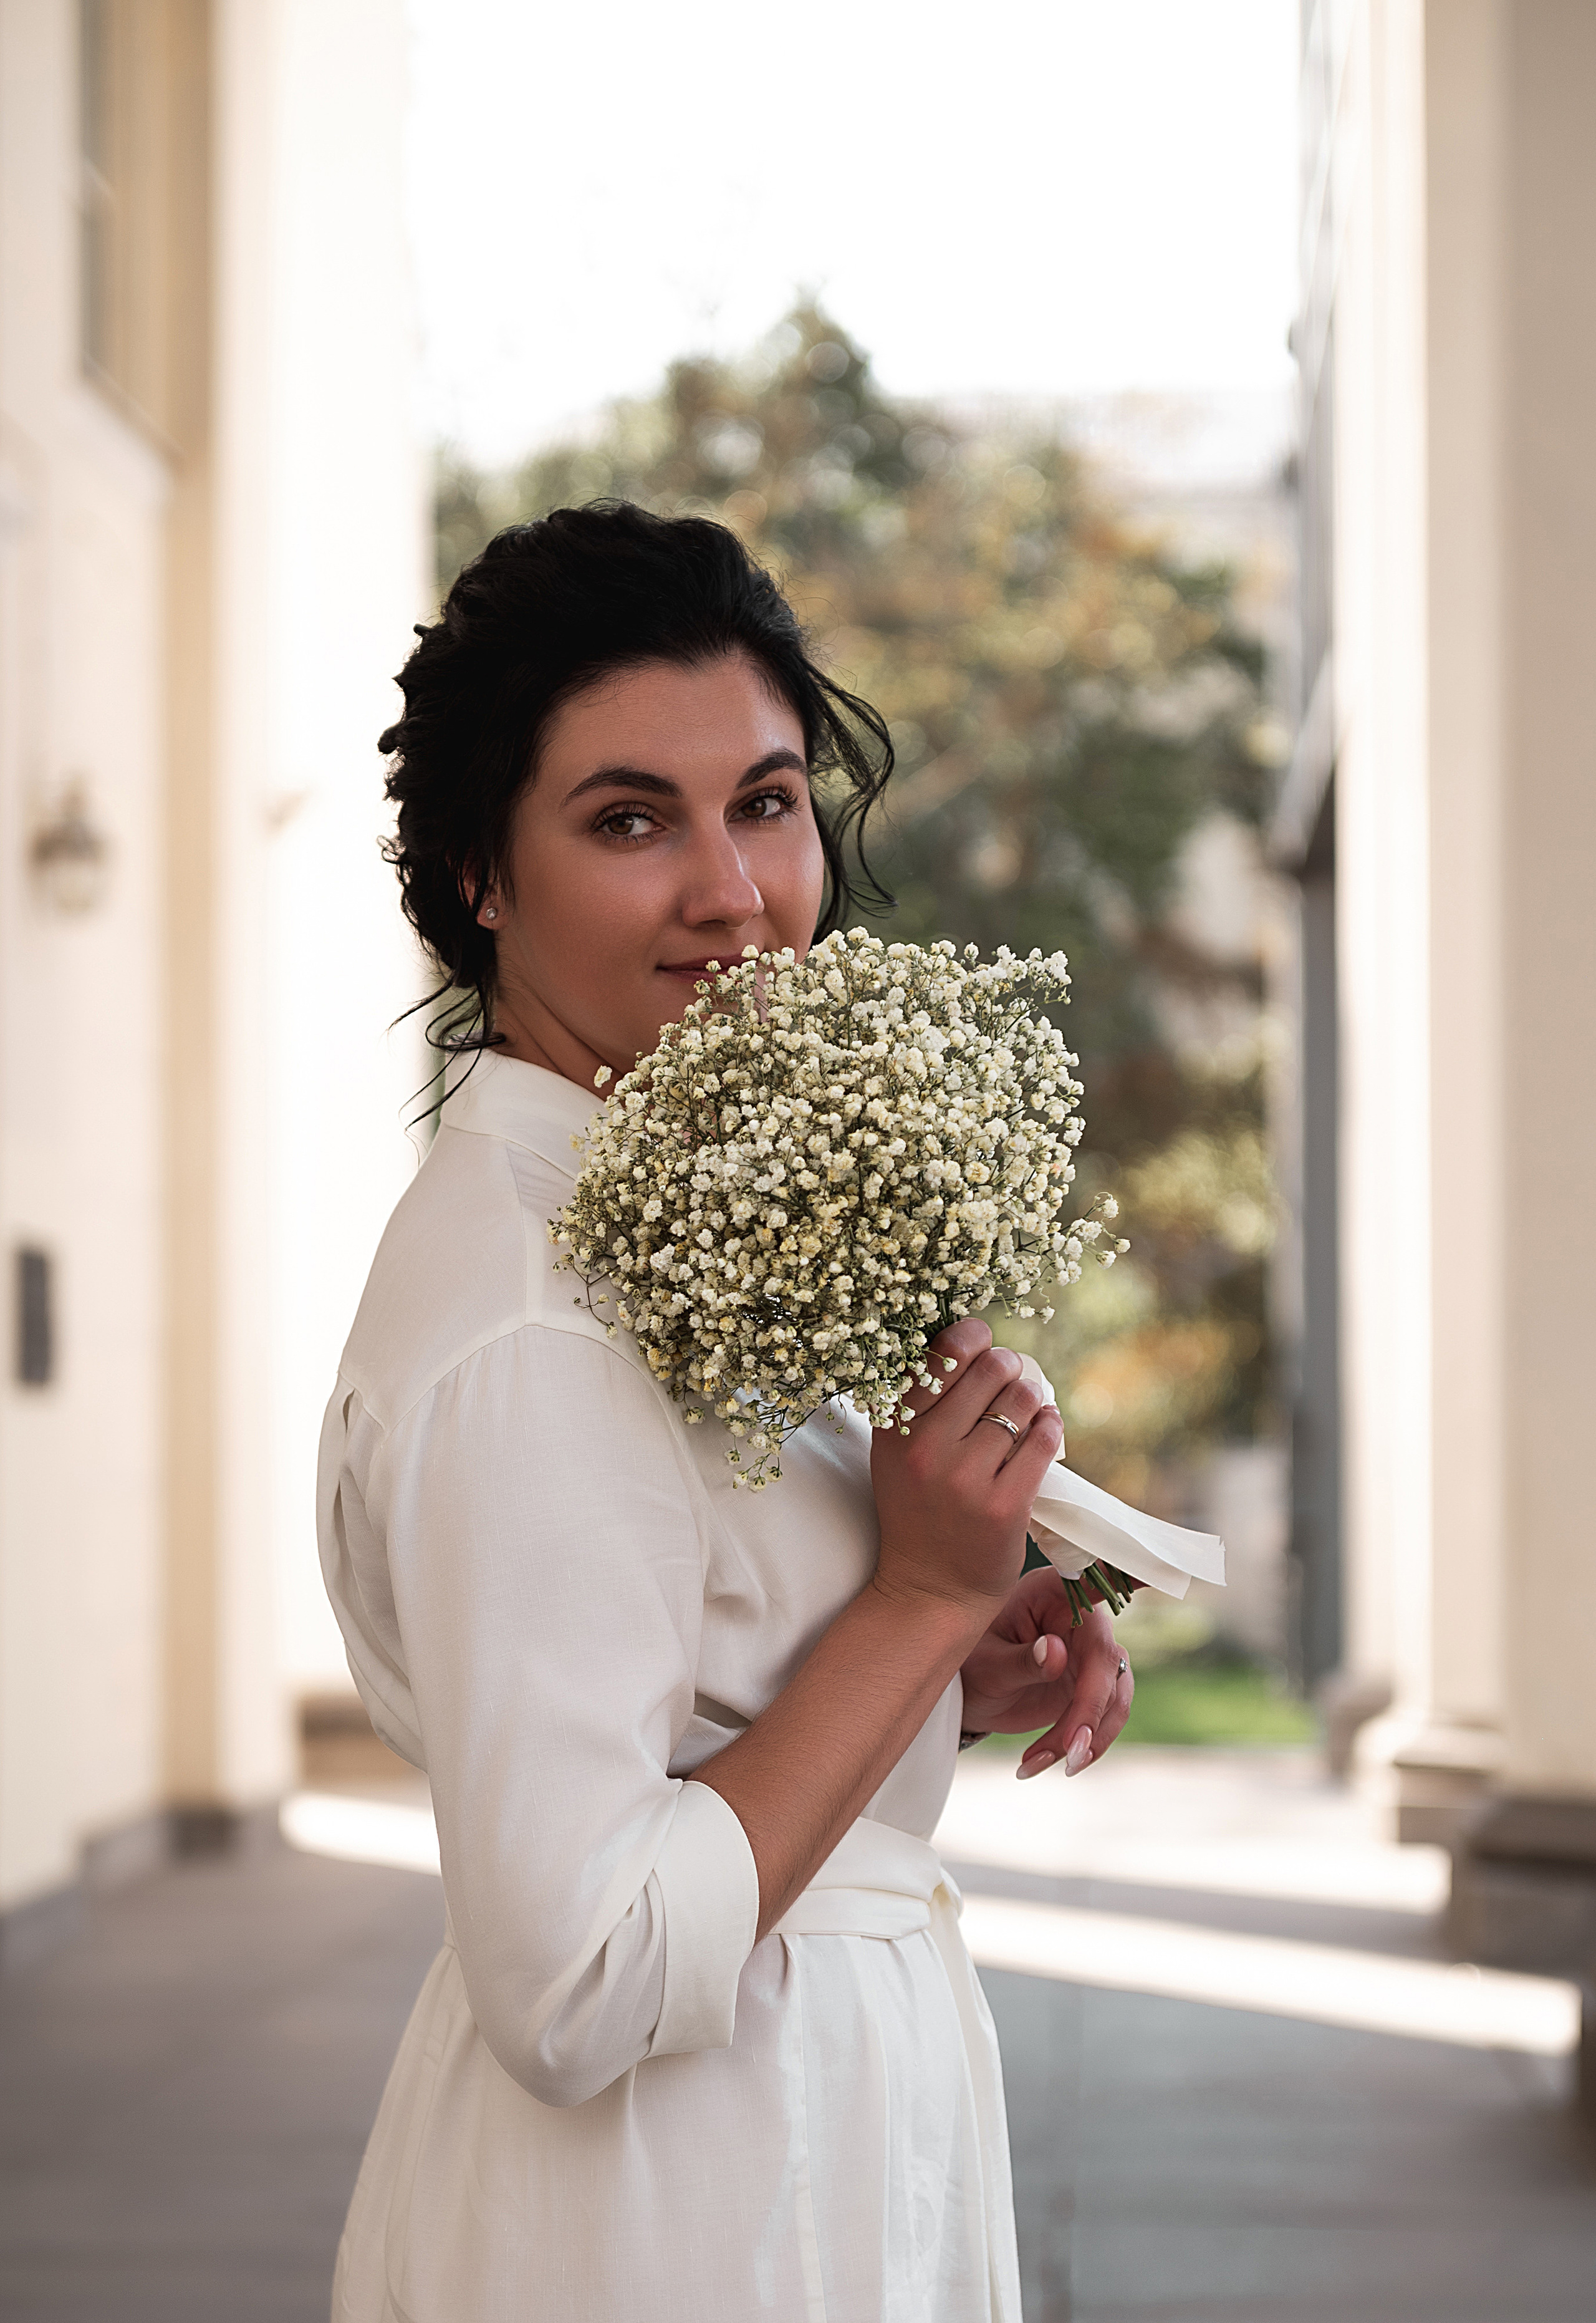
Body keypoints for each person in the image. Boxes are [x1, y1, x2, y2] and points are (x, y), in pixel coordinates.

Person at [318, 502, 1135, 2322]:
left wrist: (926, 1646)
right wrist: (917, 1598)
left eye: (765, 802)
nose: (736, 892)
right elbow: (577, 1976)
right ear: (478, 873)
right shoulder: (537, 1319)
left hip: (792, 2161)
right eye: (630, 819)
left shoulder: (648, 1215)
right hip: (672, 2225)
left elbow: (674, 1685)